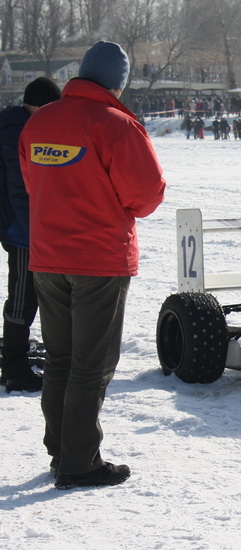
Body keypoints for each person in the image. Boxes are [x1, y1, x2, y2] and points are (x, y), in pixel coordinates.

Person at [19, 41, 166, 489]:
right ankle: (79, 462)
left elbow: (31, 182)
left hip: (47, 257)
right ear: (117, 83)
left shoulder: (40, 121)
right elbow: (146, 197)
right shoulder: (118, 127)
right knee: (92, 363)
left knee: (60, 359)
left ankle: (61, 450)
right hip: (98, 260)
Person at [0, 77, 61, 393]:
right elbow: (18, 190)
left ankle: (15, 364)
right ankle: (15, 370)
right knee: (23, 299)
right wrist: (32, 229)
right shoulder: (15, 131)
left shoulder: (21, 125)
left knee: (29, 297)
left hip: (25, 226)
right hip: (21, 229)